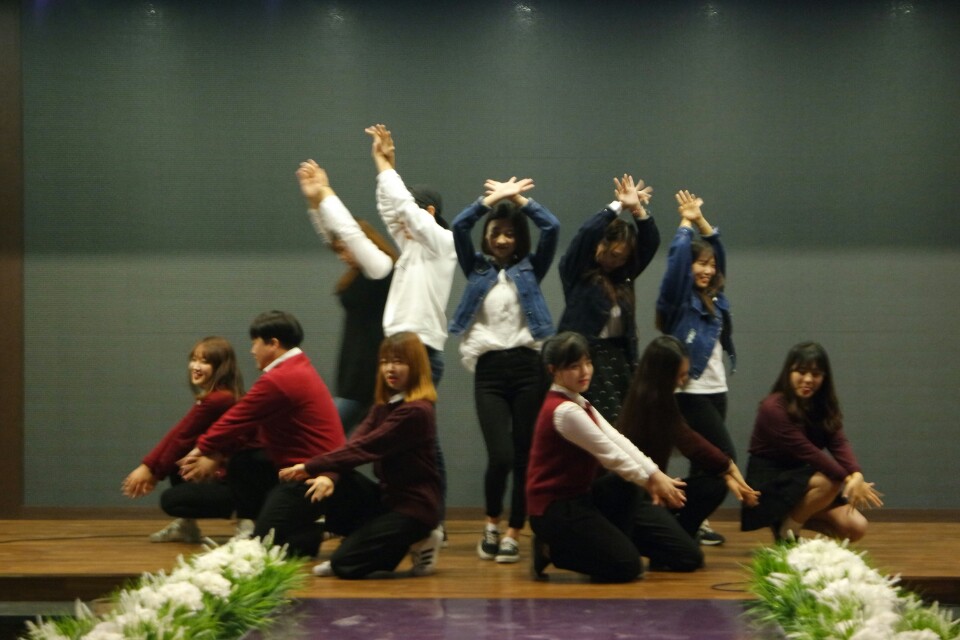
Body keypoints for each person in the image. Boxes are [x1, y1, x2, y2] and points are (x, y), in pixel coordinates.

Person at [448, 176, 559, 564]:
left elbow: (552, 227)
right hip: (490, 371)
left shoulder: (531, 268)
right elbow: (458, 227)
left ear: (519, 239)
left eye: (510, 234)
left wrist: (521, 202)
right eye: (496, 232)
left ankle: (514, 530)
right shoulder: (475, 268)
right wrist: (490, 200)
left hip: (529, 368)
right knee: (501, 456)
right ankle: (491, 524)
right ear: (487, 235)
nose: (502, 239)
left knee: (525, 454)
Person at [178, 311, 345, 556]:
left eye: (255, 343)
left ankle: (324, 521)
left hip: (309, 475)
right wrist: (214, 452)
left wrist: (202, 449)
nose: (252, 350)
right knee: (247, 462)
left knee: (261, 547)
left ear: (273, 344)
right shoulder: (299, 367)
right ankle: (314, 527)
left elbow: (237, 418)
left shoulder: (281, 378)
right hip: (309, 469)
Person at [279, 332, 443, 579]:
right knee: (334, 482)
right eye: (385, 362)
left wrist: (311, 465)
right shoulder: (383, 406)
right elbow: (353, 444)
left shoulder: (416, 411)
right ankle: (376, 539)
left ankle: (419, 536)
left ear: (416, 366)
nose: (390, 368)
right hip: (388, 501)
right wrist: (328, 476)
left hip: (414, 509)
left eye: (399, 361)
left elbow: (365, 448)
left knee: (344, 565)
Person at [525, 332, 686, 583]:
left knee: (625, 486)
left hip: (578, 499)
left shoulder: (579, 402)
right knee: (628, 567)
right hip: (554, 509)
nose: (585, 371)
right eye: (574, 366)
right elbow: (610, 455)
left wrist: (655, 474)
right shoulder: (565, 411)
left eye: (588, 363)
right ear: (553, 370)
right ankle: (549, 550)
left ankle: (609, 550)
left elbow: (617, 440)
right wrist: (651, 481)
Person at [365, 124, 457, 516]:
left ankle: (432, 517)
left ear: (430, 213)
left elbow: (403, 209)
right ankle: (412, 512)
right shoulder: (413, 246)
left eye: (415, 214)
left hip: (421, 353)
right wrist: (382, 164)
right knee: (407, 440)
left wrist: (388, 169)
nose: (402, 224)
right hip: (401, 350)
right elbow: (392, 210)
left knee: (423, 441)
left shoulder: (443, 244)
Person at [617, 336, 759, 571]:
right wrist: (729, 468)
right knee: (690, 558)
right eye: (680, 375)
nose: (683, 381)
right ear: (664, 375)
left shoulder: (660, 398)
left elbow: (694, 445)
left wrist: (728, 471)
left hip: (656, 493)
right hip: (638, 500)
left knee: (714, 485)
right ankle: (663, 544)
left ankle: (675, 539)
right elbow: (689, 441)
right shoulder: (651, 402)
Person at [655, 189, 736, 546]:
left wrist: (703, 221)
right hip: (690, 393)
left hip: (716, 390)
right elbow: (675, 264)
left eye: (710, 265)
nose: (708, 269)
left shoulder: (715, 299)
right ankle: (678, 526)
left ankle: (689, 520)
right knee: (722, 462)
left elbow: (719, 253)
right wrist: (685, 225)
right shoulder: (678, 302)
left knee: (703, 464)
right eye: (700, 264)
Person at [741, 342, 882, 542]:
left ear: (824, 377)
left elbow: (838, 442)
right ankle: (787, 534)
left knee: (855, 528)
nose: (808, 379)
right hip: (769, 482)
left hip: (802, 479)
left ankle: (787, 521)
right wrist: (848, 479)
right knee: (829, 482)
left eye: (816, 374)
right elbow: (807, 452)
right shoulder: (772, 407)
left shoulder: (822, 405)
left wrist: (857, 474)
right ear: (788, 373)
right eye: (801, 372)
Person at [297, 159, 398, 433]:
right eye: (339, 251)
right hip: (354, 370)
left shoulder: (381, 269)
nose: (341, 256)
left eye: (345, 250)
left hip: (368, 375)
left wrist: (325, 192)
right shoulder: (358, 274)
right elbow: (333, 236)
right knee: (347, 443)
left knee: (325, 437)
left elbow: (348, 232)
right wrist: (313, 202)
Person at [121, 336, 249, 542]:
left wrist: (151, 473)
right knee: (181, 462)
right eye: (194, 359)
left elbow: (181, 437)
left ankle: (246, 517)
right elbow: (178, 435)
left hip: (241, 484)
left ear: (221, 367)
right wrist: (150, 467)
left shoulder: (219, 400)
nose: (195, 367)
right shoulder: (219, 396)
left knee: (172, 501)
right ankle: (187, 526)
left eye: (204, 362)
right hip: (230, 476)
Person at [557, 175, 660, 425]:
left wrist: (637, 210)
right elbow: (586, 233)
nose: (617, 262)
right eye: (614, 255)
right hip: (586, 357)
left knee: (625, 424)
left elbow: (651, 243)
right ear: (601, 245)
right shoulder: (578, 271)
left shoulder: (623, 276)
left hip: (619, 357)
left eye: (623, 258)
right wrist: (618, 206)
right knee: (599, 425)